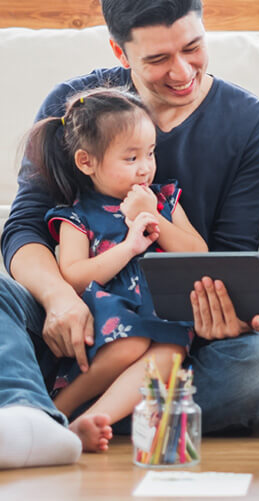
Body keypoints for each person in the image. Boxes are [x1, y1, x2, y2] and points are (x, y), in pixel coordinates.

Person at [0, 0, 259, 472]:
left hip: (174, 338)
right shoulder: (76, 106)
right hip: (77, 322)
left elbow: (229, 259)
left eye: (193, 47)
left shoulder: (251, 124)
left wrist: (218, 316)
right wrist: (58, 299)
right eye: (158, 59)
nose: (182, 71)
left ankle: (39, 417)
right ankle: (34, 419)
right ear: (120, 51)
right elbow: (26, 225)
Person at [24, 88, 206, 451]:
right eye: (131, 157)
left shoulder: (164, 200)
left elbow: (197, 253)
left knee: (169, 356)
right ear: (86, 162)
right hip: (112, 313)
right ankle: (56, 410)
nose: (145, 167)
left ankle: (93, 421)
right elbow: (74, 276)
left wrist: (152, 214)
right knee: (130, 344)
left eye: (150, 153)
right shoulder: (77, 215)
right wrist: (129, 248)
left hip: (165, 314)